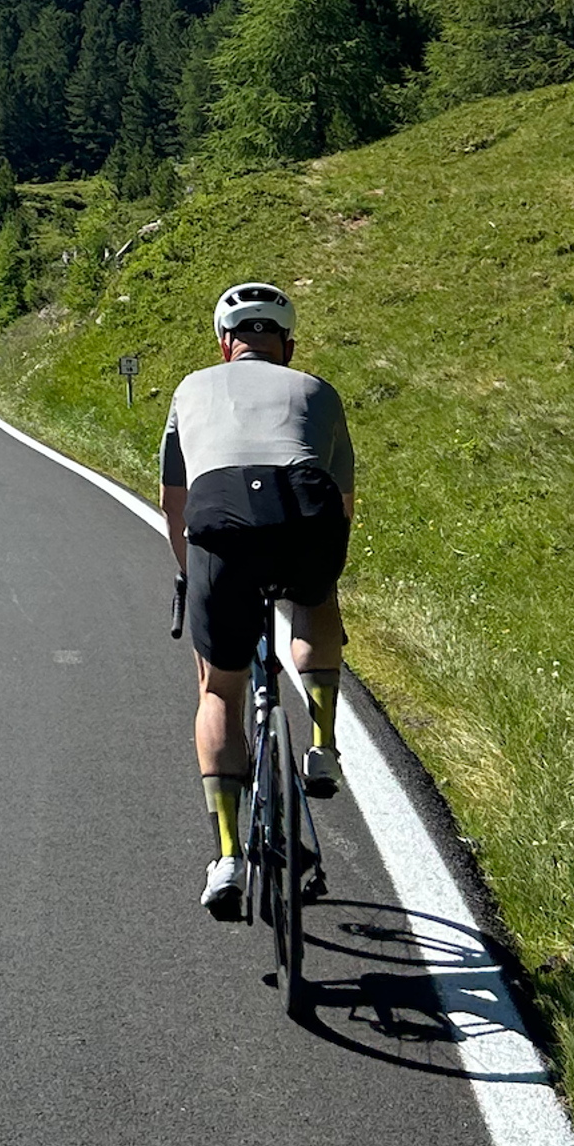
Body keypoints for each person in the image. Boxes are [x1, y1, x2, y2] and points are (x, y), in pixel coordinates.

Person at [158, 281, 354, 921]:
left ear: (224, 345)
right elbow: (342, 504)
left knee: (220, 690)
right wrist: (321, 578)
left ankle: (227, 858)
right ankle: (322, 744)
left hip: (220, 520)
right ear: (288, 346)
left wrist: (194, 574)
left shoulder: (190, 389)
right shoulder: (318, 391)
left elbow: (174, 502)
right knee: (317, 602)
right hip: (303, 512)